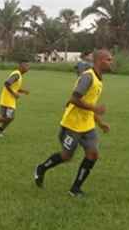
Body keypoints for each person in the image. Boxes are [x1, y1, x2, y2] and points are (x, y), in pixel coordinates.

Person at [34, 49, 113, 197]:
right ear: (99, 60)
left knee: (93, 154)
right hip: (72, 125)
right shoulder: (88, 77)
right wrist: (95, 108)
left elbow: (89, 102)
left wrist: (100, 123)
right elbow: (74, 99)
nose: (111, 62)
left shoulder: (99, 78)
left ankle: (75, 189)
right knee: (66, 156)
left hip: (87, 125)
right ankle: (41, 168)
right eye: (109, 59)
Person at [0, 60, 30, 137]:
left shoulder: (18, 75)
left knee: (5, 118)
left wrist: (23, 91)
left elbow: (13, 87)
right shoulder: (17, 75)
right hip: (8, 99)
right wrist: (14, 94)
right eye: (26, 66)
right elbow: (7, 83)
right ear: (20, 66)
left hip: (6, 98)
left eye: (28, 66)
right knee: (10, 118)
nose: (28, 68)